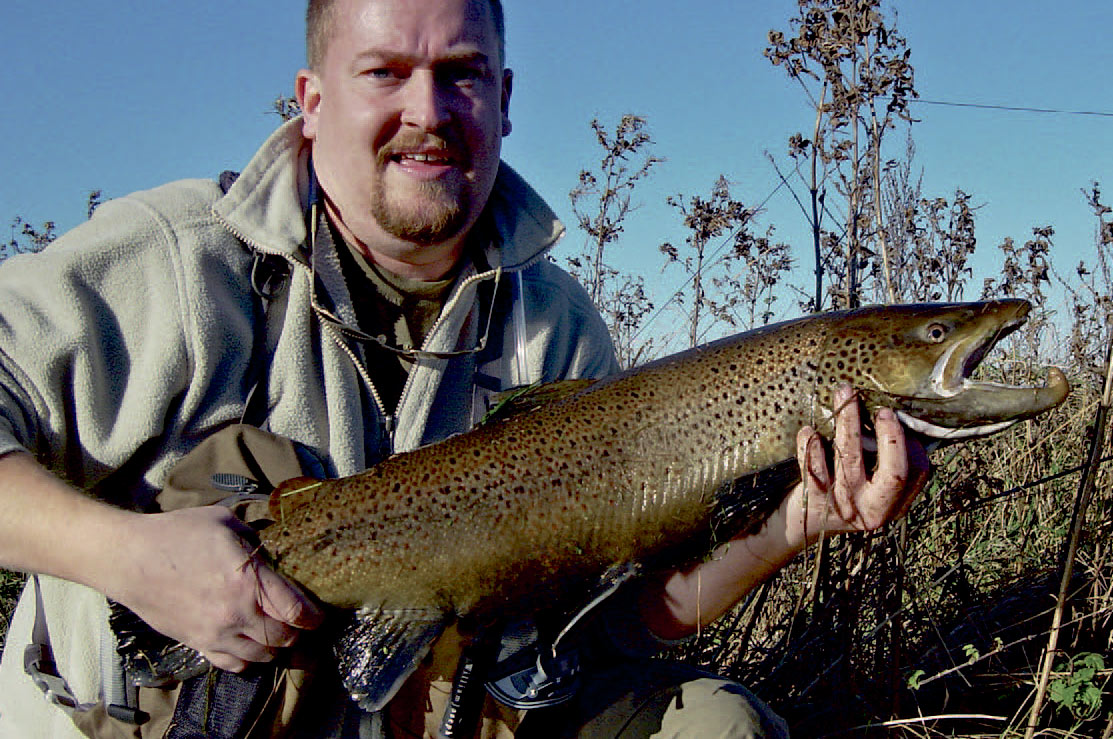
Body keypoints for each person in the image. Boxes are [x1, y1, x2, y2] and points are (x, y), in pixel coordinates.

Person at [0, 0, 929, 736]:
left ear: (505, 96)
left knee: (722, 729)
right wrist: (121, 556)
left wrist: (791, 524)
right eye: (385, 73)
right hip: (142, 724)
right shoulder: (173, 263)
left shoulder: (556, 328)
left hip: (438, 715)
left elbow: (610, 624)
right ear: (311, 98)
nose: (428, 111)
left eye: (461, 74)